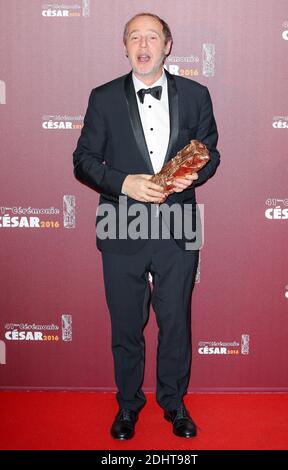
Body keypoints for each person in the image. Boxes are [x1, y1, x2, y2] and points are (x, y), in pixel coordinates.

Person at [73, 12, 220, 440]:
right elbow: (82, 161)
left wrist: (194, 174)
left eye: (151, 37)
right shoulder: (102, 98)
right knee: (125, 324)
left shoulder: (196, 94)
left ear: (167, 46)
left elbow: (210, 151)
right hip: (121, 222)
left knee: (175, 321)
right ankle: (128, 405)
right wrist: (124, 182)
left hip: (178, 224)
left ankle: (174, 404)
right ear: (124, 47)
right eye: (134, 37)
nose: (143, 44)